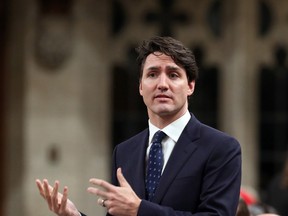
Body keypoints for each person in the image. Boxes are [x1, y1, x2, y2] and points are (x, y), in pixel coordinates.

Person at [36, 36, 242, 216]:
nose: (162, 84)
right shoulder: (124, 152)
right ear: (141, 87)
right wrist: (75, 215)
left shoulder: (221, 148)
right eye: (152, 74)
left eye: (173, 75)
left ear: (190, 86)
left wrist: (140, 210)